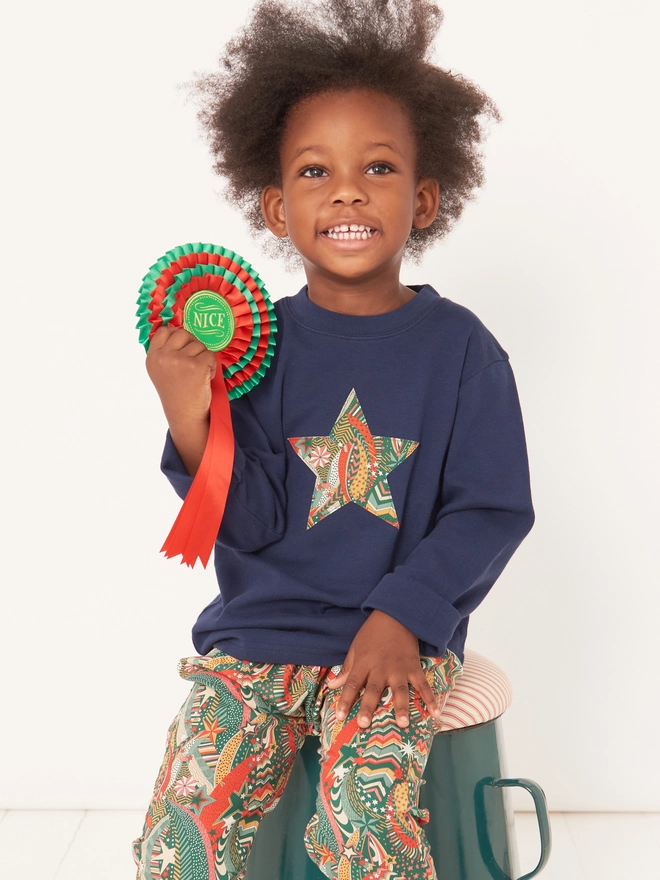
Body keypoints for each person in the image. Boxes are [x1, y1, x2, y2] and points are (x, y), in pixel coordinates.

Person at [132, 1, 535, 878]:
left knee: (367, 819)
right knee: (183, 825)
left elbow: (491, 508)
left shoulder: (462, 350)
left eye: (378, 167)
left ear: (424, 198)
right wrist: (188, 412)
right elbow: (250, 520)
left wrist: (405, 616)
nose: (347, 190)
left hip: (389, 651)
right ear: (275, 207)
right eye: (316, 172)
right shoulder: (255, 350)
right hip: (256, 644)